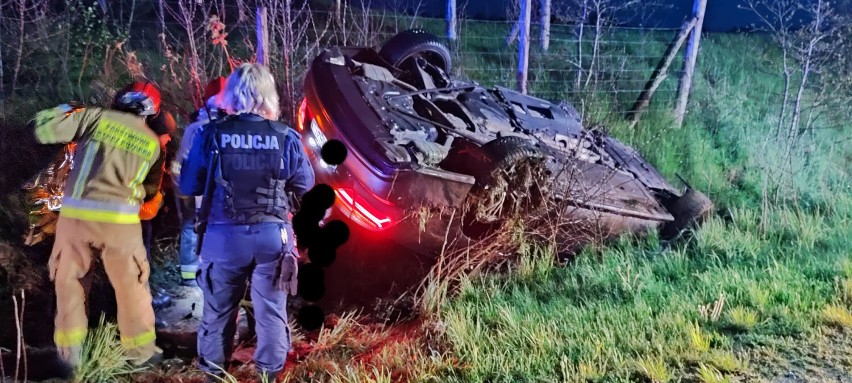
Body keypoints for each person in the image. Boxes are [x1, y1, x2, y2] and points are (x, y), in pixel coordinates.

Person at [179, 63, 315, 382]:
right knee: (271, 311)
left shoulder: (210, 133)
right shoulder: (285, 135)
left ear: (231, 94)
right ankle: (269, 375)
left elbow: (188, 186)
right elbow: (305, 184)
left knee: (217, 314)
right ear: (269, 95)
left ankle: (215, 376)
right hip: (272, 237)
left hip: (223, 238)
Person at [31, 80, 166, 373]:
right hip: (120, 224)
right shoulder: (152, 143)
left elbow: (43, 130)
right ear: (151, 111)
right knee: (131, 286)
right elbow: (152, 191)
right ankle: (141, 353)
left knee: (70, 283)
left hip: (76, 219)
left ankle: (71, 356)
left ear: (119, 99)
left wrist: (67, 108)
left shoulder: (95, 117)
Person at [171, 76, 227, 288]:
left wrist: (179, 188)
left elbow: (181, 161)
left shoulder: (194, 128)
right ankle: (215, 275)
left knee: (190, 227)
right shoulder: (232, 127)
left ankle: (189, 277)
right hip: (218, 193)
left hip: (194, 189)